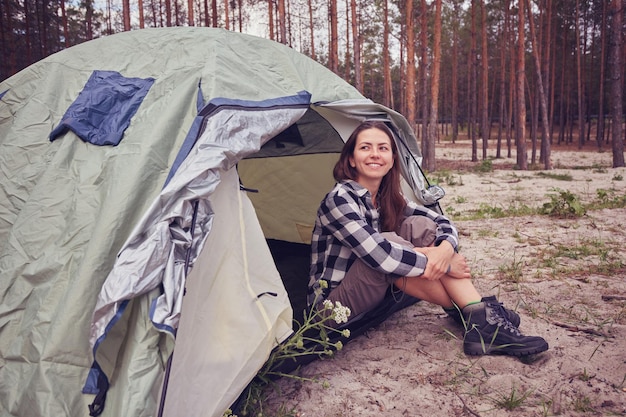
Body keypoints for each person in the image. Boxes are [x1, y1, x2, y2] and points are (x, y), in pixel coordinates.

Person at [307, 120, 548, 357]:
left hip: (372, 290)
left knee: (420, 225)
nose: (374, 154)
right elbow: (381, 256)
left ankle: (477, 316)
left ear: (392, 160)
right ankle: (478, 313)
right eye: (365, 147)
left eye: (383, 148)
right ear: (351, 159)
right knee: (391, 245)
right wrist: (445, 263)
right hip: (331, 310)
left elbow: (442, 222)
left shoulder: (386, 196)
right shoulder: (339, 199)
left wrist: (444, 251)